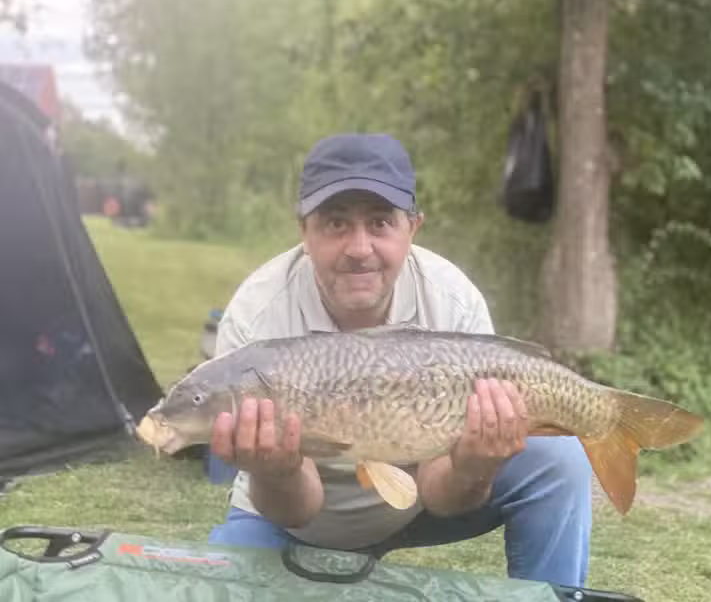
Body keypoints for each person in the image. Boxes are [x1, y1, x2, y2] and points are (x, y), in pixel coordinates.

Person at [206, 133, 593, 587]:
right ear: (303, 232)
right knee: (222, 588)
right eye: (335, 223)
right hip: (284, 517)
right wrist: (279, 469)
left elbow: (439, 490)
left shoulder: (451, 301)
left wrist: (475, 464)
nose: (359, 248)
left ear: (413, 228)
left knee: (561, 461)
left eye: (380, 223)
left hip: (416, 502)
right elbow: (299, 507)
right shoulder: (256, 321)